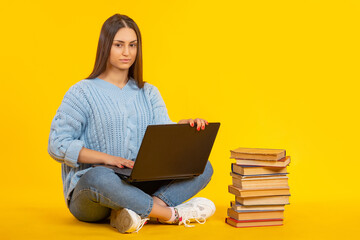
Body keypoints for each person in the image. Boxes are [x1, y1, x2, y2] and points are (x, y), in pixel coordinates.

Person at [47, 13, 215, 234]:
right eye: (119, 45)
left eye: (132, 45)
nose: (127, 52)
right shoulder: (81, 92)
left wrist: (183, 127)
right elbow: (57, 144)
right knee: (100, 175)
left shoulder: (149, 93)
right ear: (105, 46)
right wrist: (109, 160)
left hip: (138, 183)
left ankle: (135, 213)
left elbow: (163, 136)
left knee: (203, 166)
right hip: (91, 194)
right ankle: (169, 214)